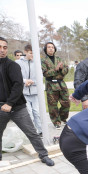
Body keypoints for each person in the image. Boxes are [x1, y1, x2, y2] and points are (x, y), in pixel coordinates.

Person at [0, 37, 54, 166]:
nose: (2, 50)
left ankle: (44, 155)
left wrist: (10, 103)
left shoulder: (13, 65)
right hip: (1, 108)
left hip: (18, 107)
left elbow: (18, 85)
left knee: (32, 132)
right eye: (0, 47)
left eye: (5, 47)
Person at [41, 42, 70, 129]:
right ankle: (56, 122)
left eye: (52, 47)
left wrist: (61, 69)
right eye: (49, 47)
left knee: (66, 102)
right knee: (53, 105)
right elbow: (45, 73)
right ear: (46, 49)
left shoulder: (59, 59)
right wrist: (55, 69)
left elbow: (66, 69)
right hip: (51, 85)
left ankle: (63, 118)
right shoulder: (43, 60)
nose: (51, 49)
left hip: (61, 84)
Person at [15, 44, 42, 136]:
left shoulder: (37, 63)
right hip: (24, 93)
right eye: (31, 53)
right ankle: (32, 132)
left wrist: (32, 82)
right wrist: (24, 81)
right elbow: (15, 77)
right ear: (25, 52)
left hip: (35, 92)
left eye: (34, 53)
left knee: (37, 112)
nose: (32, 55)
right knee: (29, 113)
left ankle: (40, 130)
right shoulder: (18, 63)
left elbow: (40, 78)